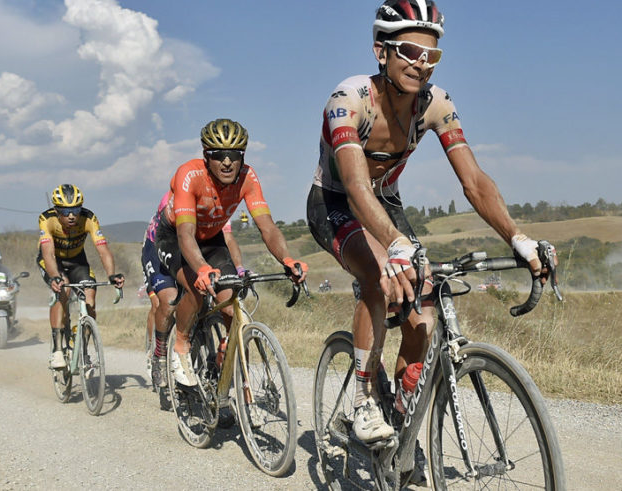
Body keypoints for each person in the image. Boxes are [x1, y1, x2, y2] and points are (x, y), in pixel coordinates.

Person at [305, 0, 558, 443]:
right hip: (335, 201)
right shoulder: (348, 100)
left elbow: (474, 181)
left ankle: (402, 411)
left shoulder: (436, 104)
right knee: (377, 273)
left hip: (386, 201)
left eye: (431, 56)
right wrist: (394, 248)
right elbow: (356, 184)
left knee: (421, 306)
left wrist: (517, 238)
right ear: (380, 51)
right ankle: (363, 399)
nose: (421, 65)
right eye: (408, 51)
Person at [157, 118, 307, 387]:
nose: (227, 162)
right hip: (176, 238)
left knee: (231, 304)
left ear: (242, 157)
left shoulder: (248, 177)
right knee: (196, 289)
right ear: (206, 157)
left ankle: (232, 375)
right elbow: (185, 235)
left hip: (212, 239)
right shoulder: (189, 175)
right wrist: (201, 269)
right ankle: (180, 344)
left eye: (234, 155)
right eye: (218, 155)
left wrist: (287, 259)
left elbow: (267, 227)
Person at [142, 190, 246, 389]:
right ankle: (160, 355)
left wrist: (238, 267)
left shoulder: (218, 206)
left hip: (194, 244)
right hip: (160, 245)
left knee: (214, 290)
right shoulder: (179, 198)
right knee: (168, 300)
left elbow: (229, 239)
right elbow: (180, 239)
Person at [37, 184, 125, 369]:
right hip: (54, 262)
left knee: (90, 295)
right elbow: (48, 254)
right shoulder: (47, 219)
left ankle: (82, 346)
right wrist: (54, 277)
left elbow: (103, 250)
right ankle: (57, 350)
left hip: (77, 261)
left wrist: (111, 275)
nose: (71, 216)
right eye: (65, 211)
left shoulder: (89, 218)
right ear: (56, 210)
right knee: (64, 291)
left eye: (76, 210)